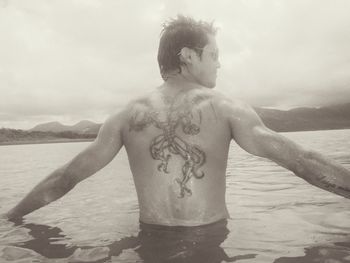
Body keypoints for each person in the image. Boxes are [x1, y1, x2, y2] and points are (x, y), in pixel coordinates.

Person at [4, 15, 350, 227]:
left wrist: (10, 219)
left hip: (149, 242)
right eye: (213, 55)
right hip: (210, 240)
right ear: (187, 56)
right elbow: (302, 162)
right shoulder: (227, 108)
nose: (219, 64)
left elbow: (66, 177)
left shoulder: (126, 115)